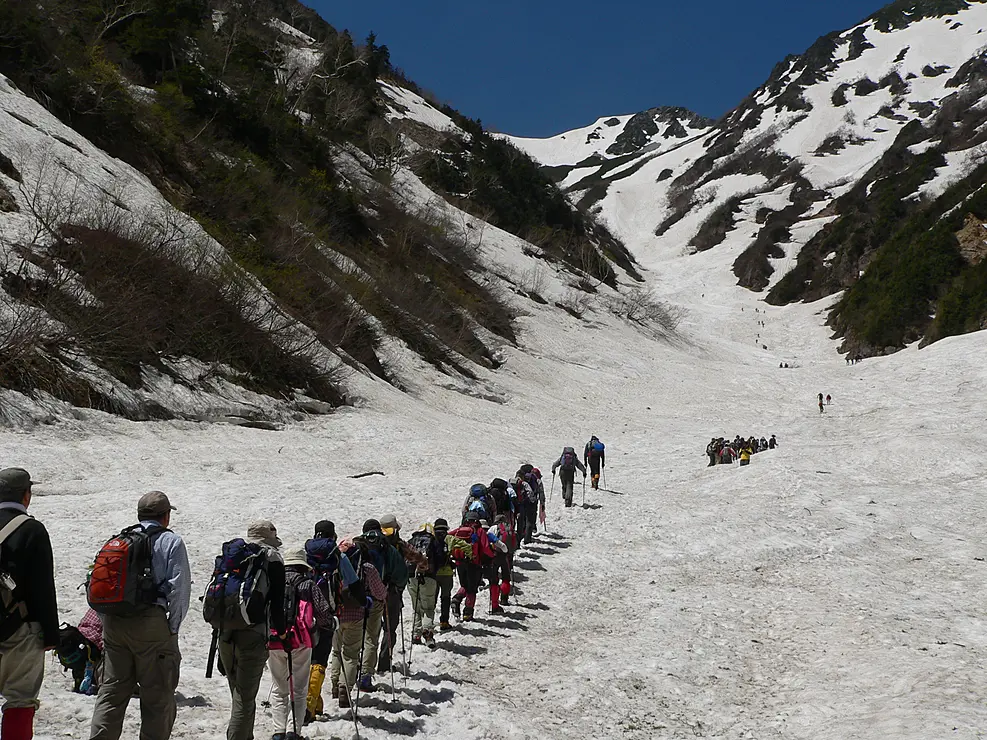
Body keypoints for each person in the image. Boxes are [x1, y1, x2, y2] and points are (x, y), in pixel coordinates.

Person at [90, 491, 190, 740]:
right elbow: (179, 589)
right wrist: (172, 627)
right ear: (166, 516)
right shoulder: (171, 542)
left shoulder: (120, 539)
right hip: (151, 624)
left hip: (115, 622)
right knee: (157, 697)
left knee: (111, 693)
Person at [0, 469, 57, 740]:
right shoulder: (32, 530)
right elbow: (42, 587)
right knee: (20, 700)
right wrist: (50, 633)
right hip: (20, 628)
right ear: (26, 495)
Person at [220, 520, 285, 740]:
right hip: (253, 635)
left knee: (238, 694)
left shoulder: (234, 554)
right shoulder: (272, 559)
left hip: (224, 633)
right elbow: (277, 603)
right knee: (245, 698)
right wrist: (283, 633)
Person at [268, 547, 333, 740]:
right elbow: (323, 614)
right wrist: (332, 623)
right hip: (300, 642)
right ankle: (293, 732)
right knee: (298, 689)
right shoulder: (307, 584)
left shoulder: (272, 582)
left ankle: (278, 731)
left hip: (274, 640)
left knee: (279, 688)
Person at [334, 527, 387, 709]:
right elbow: (380, 592)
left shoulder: (336, 564)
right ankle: (345, 687)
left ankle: (334, 683)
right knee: (351, 654)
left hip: (337, 613)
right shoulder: (368, 568)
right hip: (357, 613)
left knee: (337, 650)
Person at [373, 514, 426, 685]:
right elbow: (420, 559)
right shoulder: (399, 544)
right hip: (392, 592)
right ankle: (383, 663)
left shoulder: (369, 543)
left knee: (369, 631)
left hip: (370, 592)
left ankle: (365, 666)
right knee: (390, 627)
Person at [304, 520, 339, 723]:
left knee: (306, 659)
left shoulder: (306, 553)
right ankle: (308, 705)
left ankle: (315, 704)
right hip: (326, 613)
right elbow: (348, 581)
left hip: (303, 614)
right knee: (320, 660)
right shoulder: (335, 555)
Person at [449, 512, 496, 622]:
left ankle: (456, 599)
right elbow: (485, 548)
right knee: (472, 589)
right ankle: (467, 613)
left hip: (459, 562)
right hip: (474, 563)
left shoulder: (460, 530)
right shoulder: (479, 531)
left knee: (464, 585)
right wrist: (492, 556)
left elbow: (448, 536)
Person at [432, 520, 469, 631]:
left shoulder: (431, 540)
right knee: (445, 598)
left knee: (431, 599)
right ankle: (444, 621)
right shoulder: (449, 539)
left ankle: (429, 622)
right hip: (447, 573)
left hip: (433, 573)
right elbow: (465, 547)